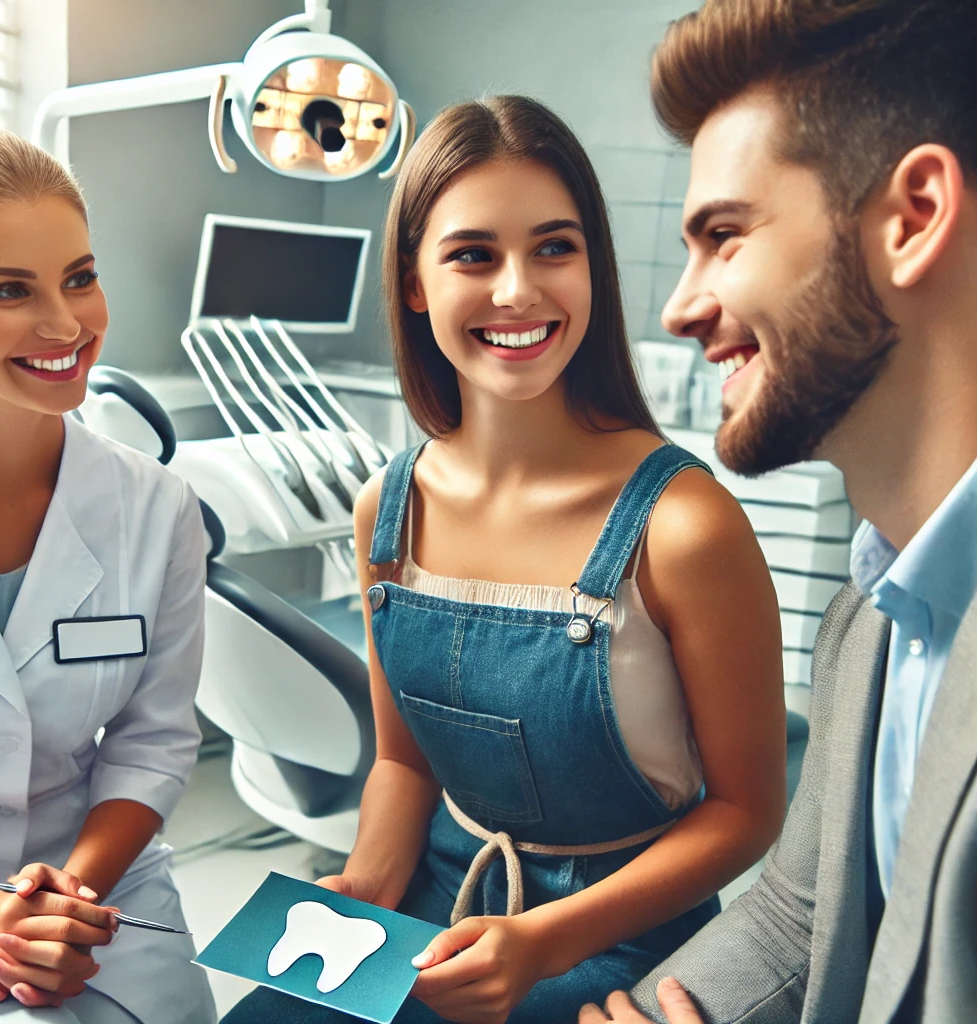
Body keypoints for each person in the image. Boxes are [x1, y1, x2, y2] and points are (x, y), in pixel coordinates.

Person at [222, 95, 786, 1024]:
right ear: (414, 282)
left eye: (555, 248)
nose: (518, 290)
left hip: (622, 932)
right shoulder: (386, 510)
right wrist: (367, 881)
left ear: (593, 268)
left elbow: (745, 813)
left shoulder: (686, 526)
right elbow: (403, 767)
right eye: (473, 254)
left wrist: (543, 942)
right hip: (437, 893)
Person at [577, 2, 977, 1023]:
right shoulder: (872, 616)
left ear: (914, 214)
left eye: (723, 235)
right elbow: (801, 916)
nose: (678, 304)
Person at [0, 126, 216, 1023]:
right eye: (9, 290)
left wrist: (60, 900)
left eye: (79, 276)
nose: (67, 325)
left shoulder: (157, 508)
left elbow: (153, 742)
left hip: (94, 879)